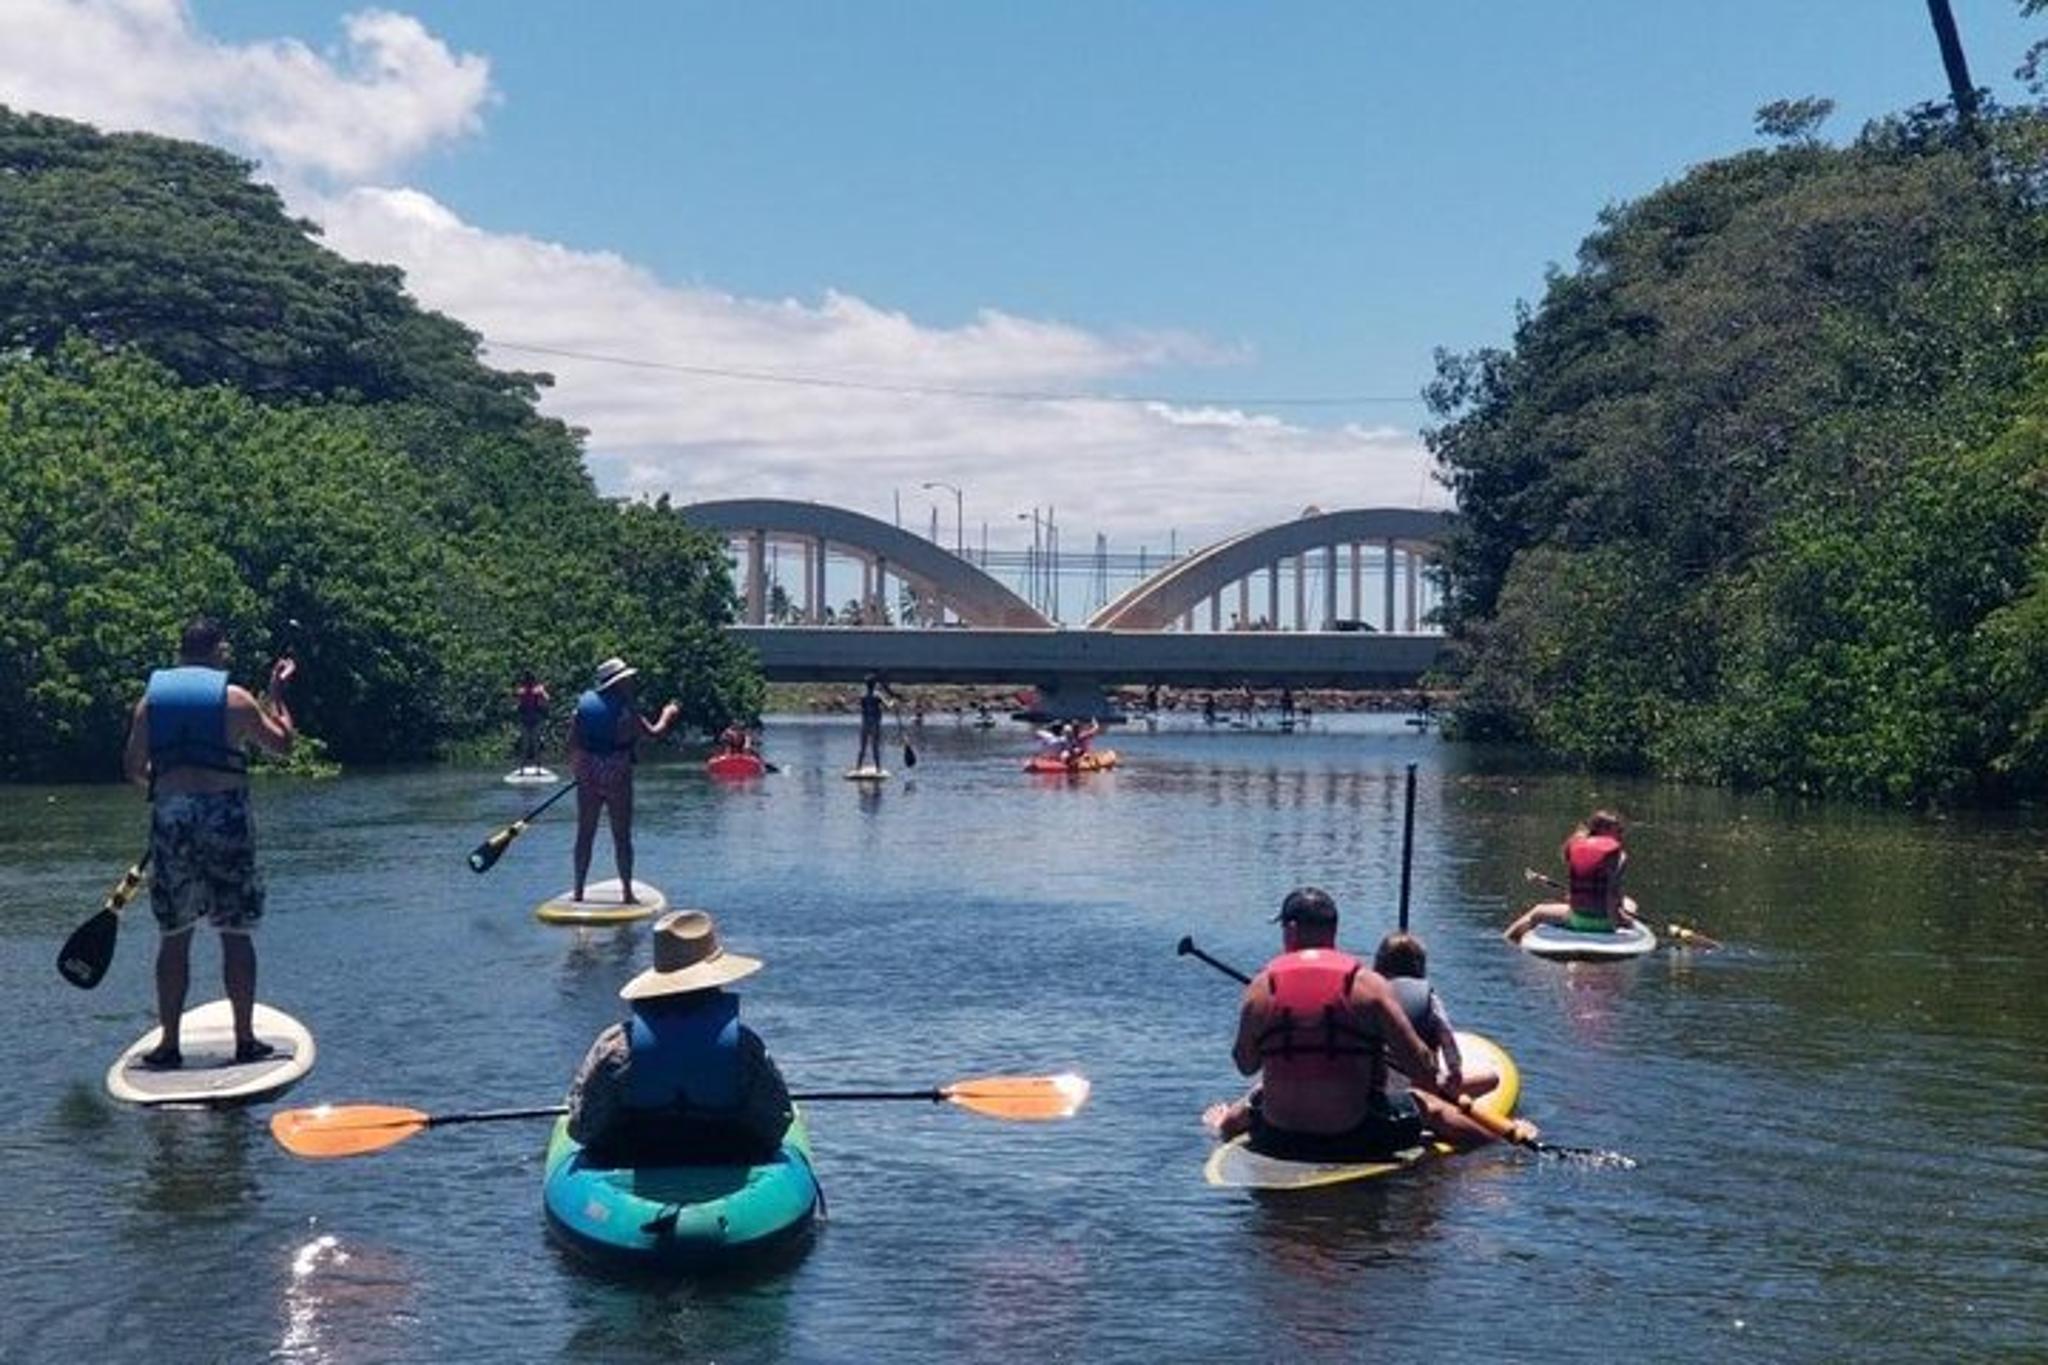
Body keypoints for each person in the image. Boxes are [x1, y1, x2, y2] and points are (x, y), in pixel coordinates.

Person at [1208, 893, 1533, 1154]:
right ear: (1333, 931)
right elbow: (1420, 1068)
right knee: (1427, 1105)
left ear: (1291, 930)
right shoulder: (1367, 985)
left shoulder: (1261, 987)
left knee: (1256, 1096)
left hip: (1276, 1136)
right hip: (1356, 1135)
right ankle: (1504, 1146)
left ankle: (1222, 1124)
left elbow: (1245, 1064)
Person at [121, 617, 297, 1068]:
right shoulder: (235, 699)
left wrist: (163, 799)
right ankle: (244, 1040)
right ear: (217, 651)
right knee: (235, 933)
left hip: (172, 817)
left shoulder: (150, 705)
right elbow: (283, 746)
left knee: (173, 936)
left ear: (181, 653)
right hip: (226, 817)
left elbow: (133, 766)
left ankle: (169, 1046)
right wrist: (276, 695)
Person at [566, 910, 793, 1166]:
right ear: (716, 982)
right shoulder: (743, 1046)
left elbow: (581, 1129)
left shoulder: (616, 1045)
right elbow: (776, 1123)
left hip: (637, 1163)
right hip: (724, 1160)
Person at [568, 657, 680, 904]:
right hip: (617, 773)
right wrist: (668, 713)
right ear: (617, 684)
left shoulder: (581, 710)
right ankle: (627, 893)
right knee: (621, 835)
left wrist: (580, 771)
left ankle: (578, 892)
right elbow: (654, 733)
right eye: (627, 679)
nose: (631, 682)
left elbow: (574, 744)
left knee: (585, 833)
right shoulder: (627, 711)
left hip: (588, 772)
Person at [1504, 810, 1637, 942]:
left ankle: (1507, 940)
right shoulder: (1620, 856)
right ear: (1603, 830)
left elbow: (1575, 893)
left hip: (1577, 920)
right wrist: (1626, 921)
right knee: (1630, 904)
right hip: (1607, 924)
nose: (1621, 834)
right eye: (1618, 830)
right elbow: (1615, 897)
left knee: (1537, 911)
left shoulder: (1577, 847)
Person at [854, 673, 896, 771]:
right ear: (874, 684)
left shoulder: (863, 696)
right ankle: (878, 769)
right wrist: (893, 702)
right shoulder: (877, 695)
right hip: (874, 724)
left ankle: (858, 767)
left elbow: (861, 708)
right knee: (875, 746)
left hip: (864, 723)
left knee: (862, 747)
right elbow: (888, 706)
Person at [513, 670, 551, 768]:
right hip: (528, 720)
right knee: (530, 744)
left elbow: (547, 699)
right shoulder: (524, 690)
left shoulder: (535, 690)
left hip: (532, 720)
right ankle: (524, 768)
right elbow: (547, 699)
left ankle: (534, 767)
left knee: (532, 744)